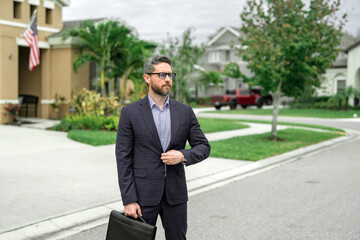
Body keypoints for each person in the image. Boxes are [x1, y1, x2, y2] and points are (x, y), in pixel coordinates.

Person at [115, 54, 210, 240]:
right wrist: (129, 199)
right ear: (147, 78)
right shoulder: (130, 113)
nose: (168, 79)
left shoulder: (185, 112)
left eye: (170, 75)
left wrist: (183, 156)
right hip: (142, 196)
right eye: (162, 75)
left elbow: (203, 146)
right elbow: (123, 158)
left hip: (176, 196)